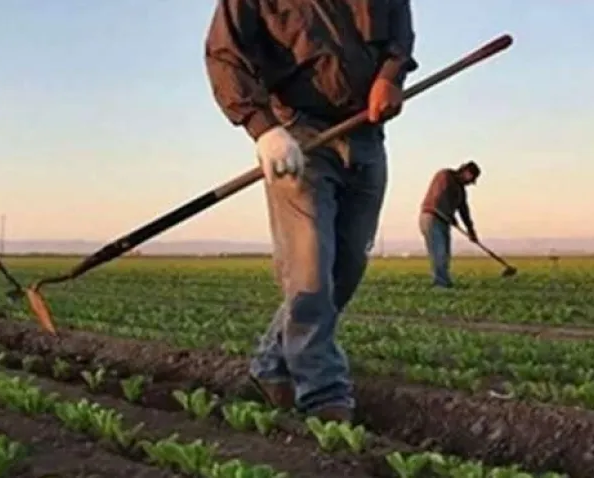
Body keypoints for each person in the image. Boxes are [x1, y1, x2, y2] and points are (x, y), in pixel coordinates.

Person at [204, 0, 417, 422]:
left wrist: (391, 77)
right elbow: (223, 55)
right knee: (311, 271)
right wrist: (264, 130)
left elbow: (400, 37)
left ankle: (269, 364)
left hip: (366, 135)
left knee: (347, 266)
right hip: (298, 139)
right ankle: (323, 394)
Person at [418, 161, 480, 288]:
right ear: (466, 172)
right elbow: (441, 196)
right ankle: (440, 284)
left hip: (443, 220)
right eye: (471, 179)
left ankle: (444, 281)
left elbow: (464, 210)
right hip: (431, 217)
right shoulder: (445, 176)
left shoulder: (461, 191)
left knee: (445, 253)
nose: (470, 183)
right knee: (438, 252)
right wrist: (450, 216)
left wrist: (471, 230)